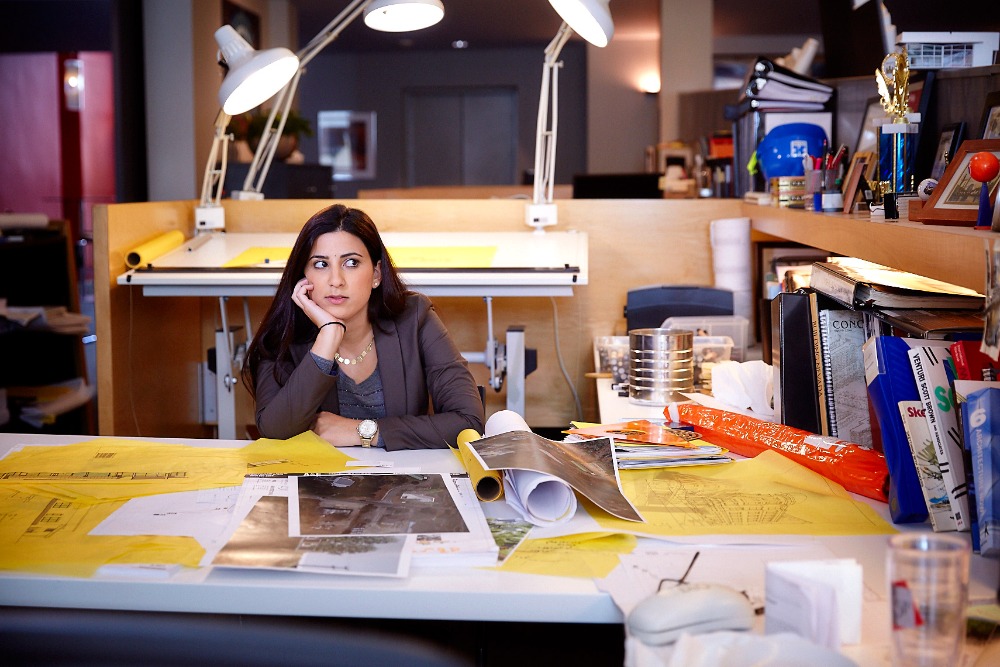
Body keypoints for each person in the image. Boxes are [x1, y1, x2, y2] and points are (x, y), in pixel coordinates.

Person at [242, 203, 484, 450]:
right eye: (321, 264)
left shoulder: (415, 317)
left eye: (351, 263)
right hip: (323, 475)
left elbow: (469, 423)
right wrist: (328, 336)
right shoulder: (283, 334)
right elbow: (275, 431)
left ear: (376, 274)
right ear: (303, 277)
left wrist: (363, 431)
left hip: (402, 473)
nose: (336, 281)